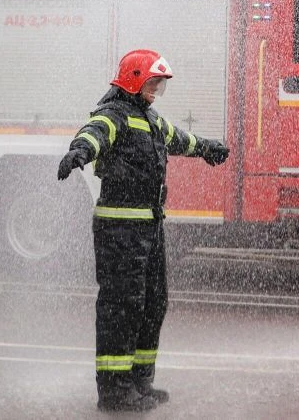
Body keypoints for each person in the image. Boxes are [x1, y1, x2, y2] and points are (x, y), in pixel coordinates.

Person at [57, 49, 229, 412]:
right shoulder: (114, 114)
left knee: (152, 302)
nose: (155, 92)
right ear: (133, 81)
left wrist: (206, 148)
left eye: (159, 86)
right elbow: (94, 133)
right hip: (119, 228)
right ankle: (115, 391)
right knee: (122, 306)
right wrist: (79, 152)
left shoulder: (150, 119)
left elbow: (179, 139)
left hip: (149, 226)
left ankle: (139, 382)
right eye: (152, 84)